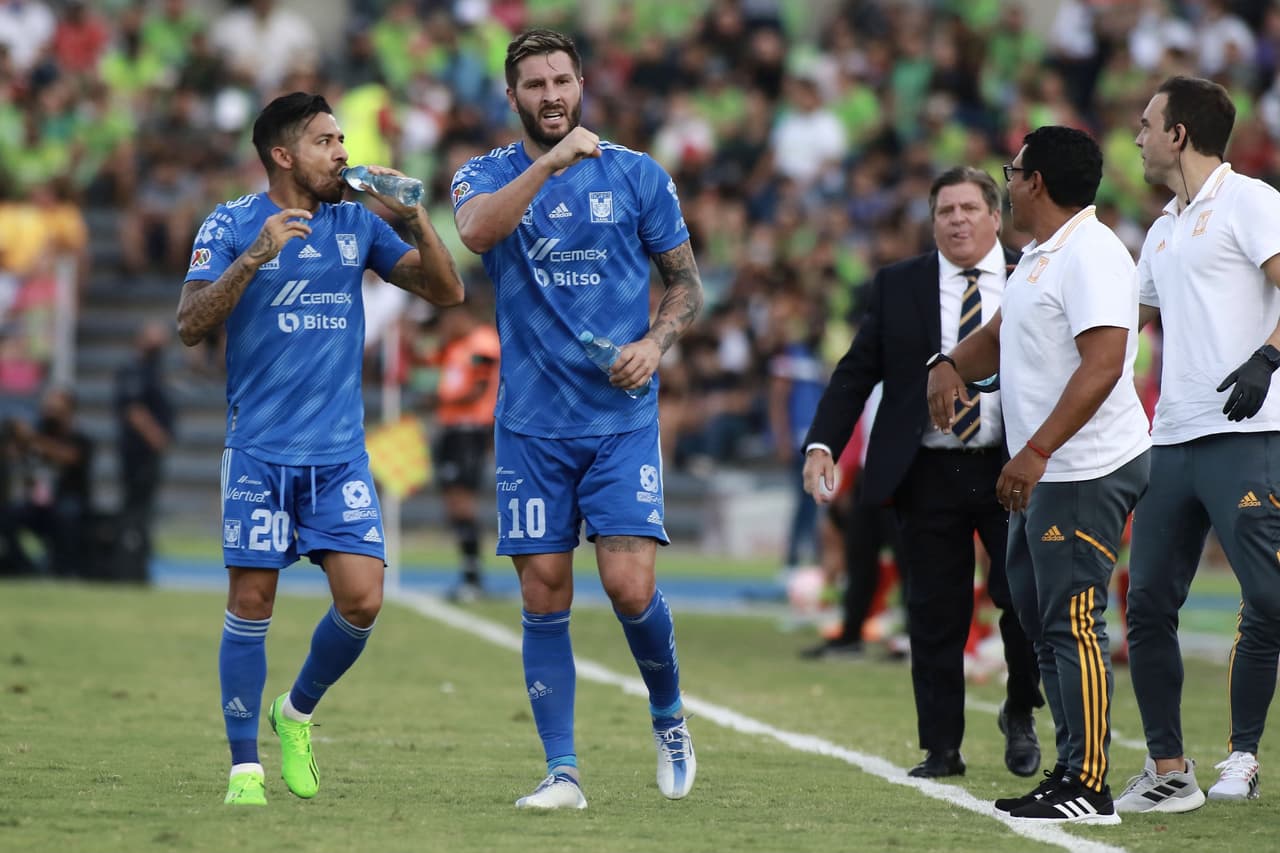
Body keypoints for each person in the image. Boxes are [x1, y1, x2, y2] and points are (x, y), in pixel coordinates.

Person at [175, 91, 464, 807]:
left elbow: (447, 291)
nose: (342, 152)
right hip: (259, 454)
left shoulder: (357, 224)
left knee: (363, 599)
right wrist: (255, 256)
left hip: (338, 456)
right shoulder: (233, 222)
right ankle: (245, 769)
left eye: (342, 139)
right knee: (252, 598)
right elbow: (189, 323)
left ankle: (295, 712)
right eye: (326, 141)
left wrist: (415, 215)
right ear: (282, 154)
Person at [450, 28, 704, 810]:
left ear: (583, 82)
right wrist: (552, 163)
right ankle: (562, 771)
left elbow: (686, 284)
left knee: (629, 586)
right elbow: (475, 233)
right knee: (544, 592)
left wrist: (655, 341)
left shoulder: (637, 174)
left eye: (562, 80)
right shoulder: (482, 176)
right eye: (535, 85)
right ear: (512, 96)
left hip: (620, 418)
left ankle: (668, 716)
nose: (552, 95)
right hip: (531, 425)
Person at [929, 126, 1152, 824]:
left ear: (1037, 183)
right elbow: (999, 334)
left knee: (1072, 618)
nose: (1009, 180)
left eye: (1013, 170)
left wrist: (1037, 451)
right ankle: (1069, 767)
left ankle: (1087, 782)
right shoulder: (1040, 256)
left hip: (1083, 466)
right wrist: (947, 364)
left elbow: (1105, 362)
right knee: (1039, 616)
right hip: (1050, 469)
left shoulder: (1092, 254)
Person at [802, 166, 1043, 781]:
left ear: (995, 215)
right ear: (931, 221)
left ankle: (1021, 710)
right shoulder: (898, 284)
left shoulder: (1035, 272)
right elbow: (857, 372)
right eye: (944, 210)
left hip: (1008, 466)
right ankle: (942, 747)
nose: (957, 219)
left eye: (968, 208)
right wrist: (823, 443)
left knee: (1022, 603)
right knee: (934, 613)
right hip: (926, 469)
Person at [1116, 75, 1280, 812]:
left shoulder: (1253, 202)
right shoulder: (1160, 228)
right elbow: (1127, 327)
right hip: (1173, 437)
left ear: (1179, 133)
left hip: (1249, 432)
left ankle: (1242, 754)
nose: (1138, 136)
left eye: (1148, 124)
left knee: (1268, 598)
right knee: (1146, 601)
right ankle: (1169, 766)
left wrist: (1268, 356)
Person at [420, 302, 500, 602]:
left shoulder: (483, 342)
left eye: (445, 320)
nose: (442, 326)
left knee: (462, 504)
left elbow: (478, 389)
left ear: (459, 315)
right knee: (453, 504)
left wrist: (438, 398)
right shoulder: (456, 346)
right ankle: (469, 576)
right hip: (453, 429)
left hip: (470, 430)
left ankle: (474, 578)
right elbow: (425, 358)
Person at [0, 387, 94, 577]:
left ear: (69, 411)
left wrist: (32, 437)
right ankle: (25, 568)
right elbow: (12, 454)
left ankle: (65, 569)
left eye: (56, 409)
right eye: (48, 408)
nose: (50, 413)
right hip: (37, 504)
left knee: (67, 514)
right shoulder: (40, 432)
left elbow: (69, 456)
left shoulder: (80, 438)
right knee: (6, 515)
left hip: (67, 501)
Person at [113, 319, 175, 580]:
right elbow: (134, 409)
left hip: (149, 453)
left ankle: (139, 556)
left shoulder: (153, 369)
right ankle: (128, 560)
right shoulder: (134, 369)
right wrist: (157, 436)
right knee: (135, 507)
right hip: (138, 452)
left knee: (144, 507)